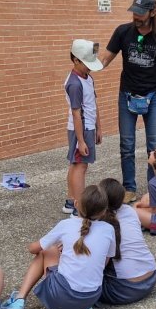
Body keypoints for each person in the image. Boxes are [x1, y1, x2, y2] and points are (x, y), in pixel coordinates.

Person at [101, 0, 156, 203]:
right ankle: (129, 188)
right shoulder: (122, 32)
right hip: (127, 95)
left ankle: (152, 190)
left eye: (140, 13)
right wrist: (86, 67)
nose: (136, 16)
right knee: (126, 145)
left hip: (151, 97)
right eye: (134, 12)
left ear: (152, 12)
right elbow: (105, 59)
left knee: (154, 148)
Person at [0, 185, 118, 309]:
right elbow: (104, 261)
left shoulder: (66, 224)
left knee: (47, 250)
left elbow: (34, 249)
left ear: (76, 204)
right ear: (104, 211)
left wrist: (30, 245)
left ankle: (19, 300)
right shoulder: (109, 229)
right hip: (91, 296)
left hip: (62, 298)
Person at [99, 178, 156, 305]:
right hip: (151, 277)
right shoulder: (130, 211)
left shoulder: (99, 221)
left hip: (122, 289)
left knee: (82, 282)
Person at [63, 39, 104, 216]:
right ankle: (79, 207)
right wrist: (81, 140)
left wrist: (99, 128)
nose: (90, 68)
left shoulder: (87, 78)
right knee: (80, 166)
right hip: (81, 130)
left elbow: (93, 103)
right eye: (87, 63)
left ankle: (71, 201)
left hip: (88, 128)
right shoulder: (74, 84)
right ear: (76, 60)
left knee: (76, 164)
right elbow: (76, 113)